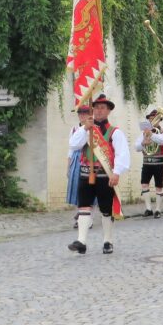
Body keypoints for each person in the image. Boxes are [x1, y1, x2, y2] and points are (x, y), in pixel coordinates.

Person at [68, 93, 130, 255]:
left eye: (103, 108)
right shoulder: (85, 129)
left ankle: (107, 241)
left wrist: (116, 173)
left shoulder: (114, 132)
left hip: (104, 176)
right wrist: (85, 129)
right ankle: (81, 241)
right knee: (83, 207)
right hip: (85, 173)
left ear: (108, 111)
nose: (99, 111)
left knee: (106, 209)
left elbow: (122, 155)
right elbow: (74, 145)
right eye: (96, 108)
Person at [135, 108, 163, 218]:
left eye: (155, 119)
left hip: (159, 163)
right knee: (144, 184)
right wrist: (143, 142)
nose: (152, 121)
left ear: (159, 120)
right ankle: (148, 208)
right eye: (151, 119)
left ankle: (158, 209)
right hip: (147, 162)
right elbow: (136, 147)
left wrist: (152, 135)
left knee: (159, 187)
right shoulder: (144, 133)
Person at [67, 105, 93, 228]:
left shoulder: (93, 128)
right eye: (80, 113)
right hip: (77, 160)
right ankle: (81, 216)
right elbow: (71, 149)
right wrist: (68, 166)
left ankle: (88, 218)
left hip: (89, 159)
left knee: (89, 189)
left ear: (89, 114)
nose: (82, 115)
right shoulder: (74, 129)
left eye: (85, 113)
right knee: (78, 189)